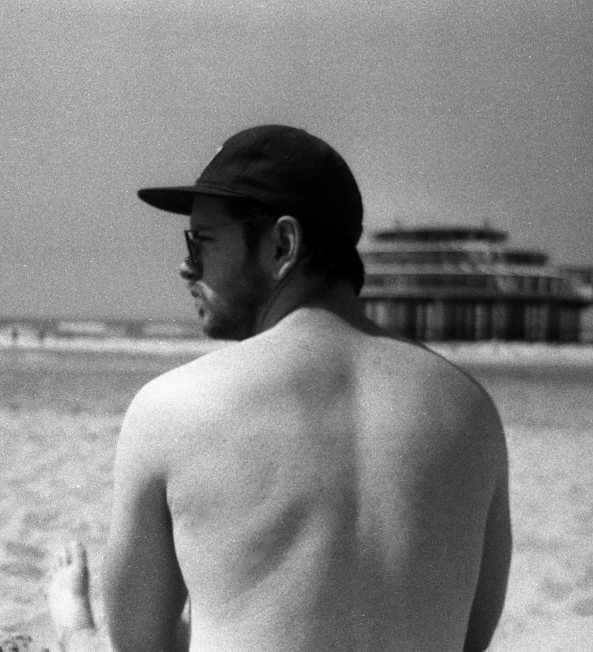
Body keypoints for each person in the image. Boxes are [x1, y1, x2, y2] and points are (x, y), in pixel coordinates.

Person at [73, 125, 510, 651]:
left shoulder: (173, 408)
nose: (186, 265)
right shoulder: (470, 409)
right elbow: (471, 639)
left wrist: (77, 626)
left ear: (283, 244)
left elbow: (136, 648)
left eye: (202, 241)